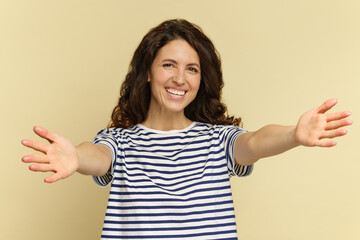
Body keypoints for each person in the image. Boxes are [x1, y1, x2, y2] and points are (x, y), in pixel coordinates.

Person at [21, 19, 352, 239]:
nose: (180, 78)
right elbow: (98, 156)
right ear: (147, 72)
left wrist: (293, 134)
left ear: (201, 79)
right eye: (168, 65)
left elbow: (254, 142)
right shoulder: (119, 142)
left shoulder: (217, 139)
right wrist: (76, 157)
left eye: (192, 69)